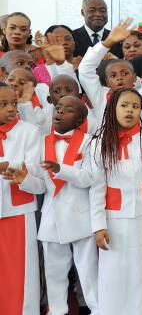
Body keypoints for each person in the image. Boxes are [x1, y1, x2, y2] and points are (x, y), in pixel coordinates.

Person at [81, 87, 142, 314]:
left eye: (135, 107)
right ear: (112, 109)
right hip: (114, 220)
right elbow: (97, 188)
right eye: (124, 105)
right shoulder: (98, 143)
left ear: (141, 111)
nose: (129, 111)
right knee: (113, 275)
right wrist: (99, 226)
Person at [34, 96, 99, 315]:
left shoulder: (90, 141)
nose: (60, 112)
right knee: (54, 275)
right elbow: (40, 185)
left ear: (80, 119)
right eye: (58, 107)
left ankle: (98, 310)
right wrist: (22, 178)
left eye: (68, 110)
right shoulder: (41, 142)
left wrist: (61, 169)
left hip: (82, 217)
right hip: (51, 218)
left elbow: (90, 178)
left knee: (89, 274)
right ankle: (57, 311)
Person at [0, 82, 44, 315]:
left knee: (21, 275)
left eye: (13, 103)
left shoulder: (29, 131)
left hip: (17, 212)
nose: (10, 109)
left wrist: (22, 176)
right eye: (3, 104)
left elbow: (38, 180)